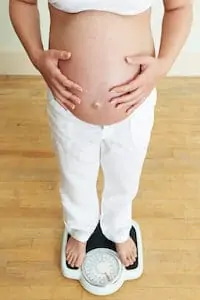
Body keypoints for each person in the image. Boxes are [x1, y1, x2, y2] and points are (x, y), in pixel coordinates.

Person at [9, 0, 193, 269]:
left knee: (125, 176)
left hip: (134, 106)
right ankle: (80, 229)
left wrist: (163, 65)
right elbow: (22, 2)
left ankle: (119, 228)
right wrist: (37, 56)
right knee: (75, 176)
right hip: (68, 104)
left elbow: (180, 7)